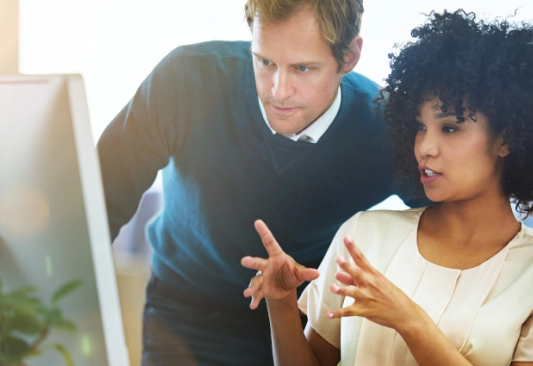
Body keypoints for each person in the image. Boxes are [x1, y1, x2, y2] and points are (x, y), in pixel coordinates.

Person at [97, 0, 427, 365]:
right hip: (182, 309)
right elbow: (97, 201)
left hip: (296, 328)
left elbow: (455, 212)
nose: (278, 90)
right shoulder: (186, 79)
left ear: (349, 57)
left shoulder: (385, 127)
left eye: (303, 68)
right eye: (265, 61)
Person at [242, 9, 533, 366]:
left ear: (506, 138)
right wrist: (282, 304)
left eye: (450, 128)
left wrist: (409, 321)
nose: (425, 147)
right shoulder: (364, 237)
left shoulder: (528, 272)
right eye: (419, 127)